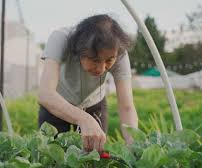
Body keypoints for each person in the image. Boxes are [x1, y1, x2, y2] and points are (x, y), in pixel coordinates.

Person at [38, 14, 138, 153]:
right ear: (79, 50)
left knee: (93, 157)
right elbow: (45, 94)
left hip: (94, 104)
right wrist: (83, 119)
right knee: (53, 154)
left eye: (109, 60)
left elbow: (126, 107)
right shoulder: (61, 39)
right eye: (95, 60)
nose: (101, 68)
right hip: (58, 104)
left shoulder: (119, 52)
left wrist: (133, 146)